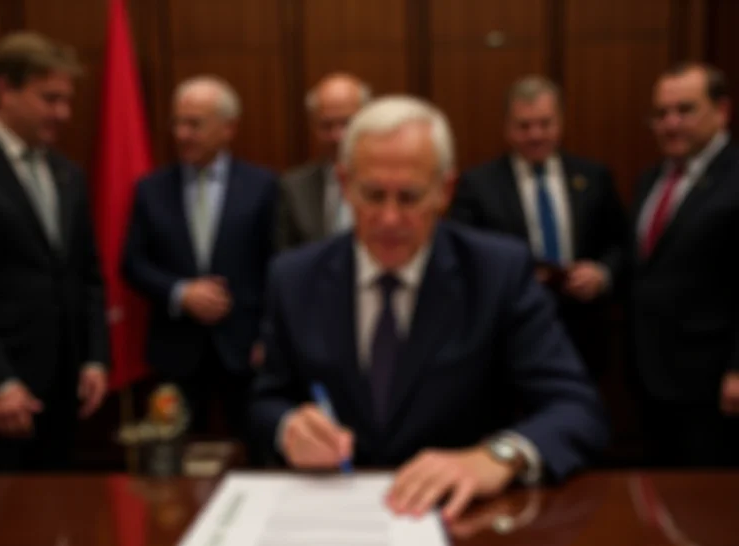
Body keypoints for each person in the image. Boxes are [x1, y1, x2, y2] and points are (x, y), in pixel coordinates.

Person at [250, 96, 608, 519]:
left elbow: (576, 408)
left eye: (410, 197)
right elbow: (264, 401)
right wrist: (286, 428)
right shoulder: (294, 278)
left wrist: (497, 456)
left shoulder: (496, 272)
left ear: (445, 191)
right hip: (333, 520)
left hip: (460, 523)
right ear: (345, 185)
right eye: (372, 194)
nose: (388, 218)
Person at [0, 32, 109, 471]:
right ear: (4, 89)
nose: (63, 114)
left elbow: (86, 272)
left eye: (67, 101)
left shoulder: (66, 172)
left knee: (57, 523)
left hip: (64, 386)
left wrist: (94, 356)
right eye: (49, 99)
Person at [122, 76, 277, 441]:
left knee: (254, 452)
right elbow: (133, 263)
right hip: (176, 350)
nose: (182, 134)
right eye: (177, 122)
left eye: (195, 124)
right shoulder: (151, 189)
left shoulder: (264, 186)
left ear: (228, 128)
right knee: (176, 461)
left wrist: (269, 336)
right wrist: (180, 292)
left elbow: (278, 266)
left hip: (244, 348)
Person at [449, 76, 627, 379]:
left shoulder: (594, 177)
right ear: (507, 128)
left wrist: (602, 273)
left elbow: (622, 243)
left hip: (582, 329)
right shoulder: (478, 185)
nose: (535, 135)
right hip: (507, 331)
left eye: (545, 123)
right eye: (524, 125)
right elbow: (460, 254)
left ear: (560, 122)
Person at [627, 62, 739, 467]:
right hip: (652, 377)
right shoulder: (651, 179)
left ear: (722, 111)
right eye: (661, 114)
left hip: (712, 384)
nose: (671, 124)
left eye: (685, 110)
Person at [276, 73, 371, 250]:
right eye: (326, 125)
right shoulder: (294, 187)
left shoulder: (393, 181)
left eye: (347, 123)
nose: (337, 136)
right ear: (313, 127)